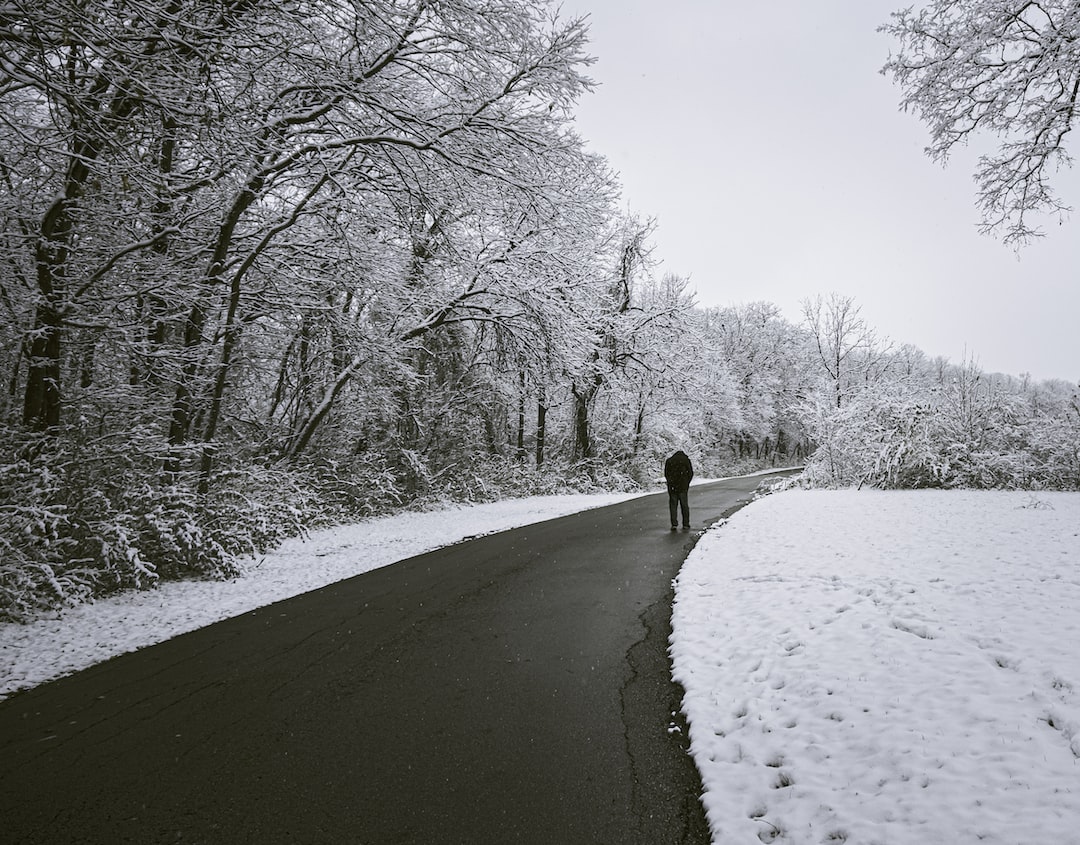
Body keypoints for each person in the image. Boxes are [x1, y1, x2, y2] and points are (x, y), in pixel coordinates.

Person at [664, 450, 694, 530]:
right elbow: (690, 473)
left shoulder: (669, 460)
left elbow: (666, 474)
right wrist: (686, 482)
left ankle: (674, 524)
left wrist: (670, 482)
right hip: (683, 486)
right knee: (684, 505)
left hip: (672, 487)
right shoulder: (686, 460)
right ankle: (686, 524)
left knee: (673, 505)